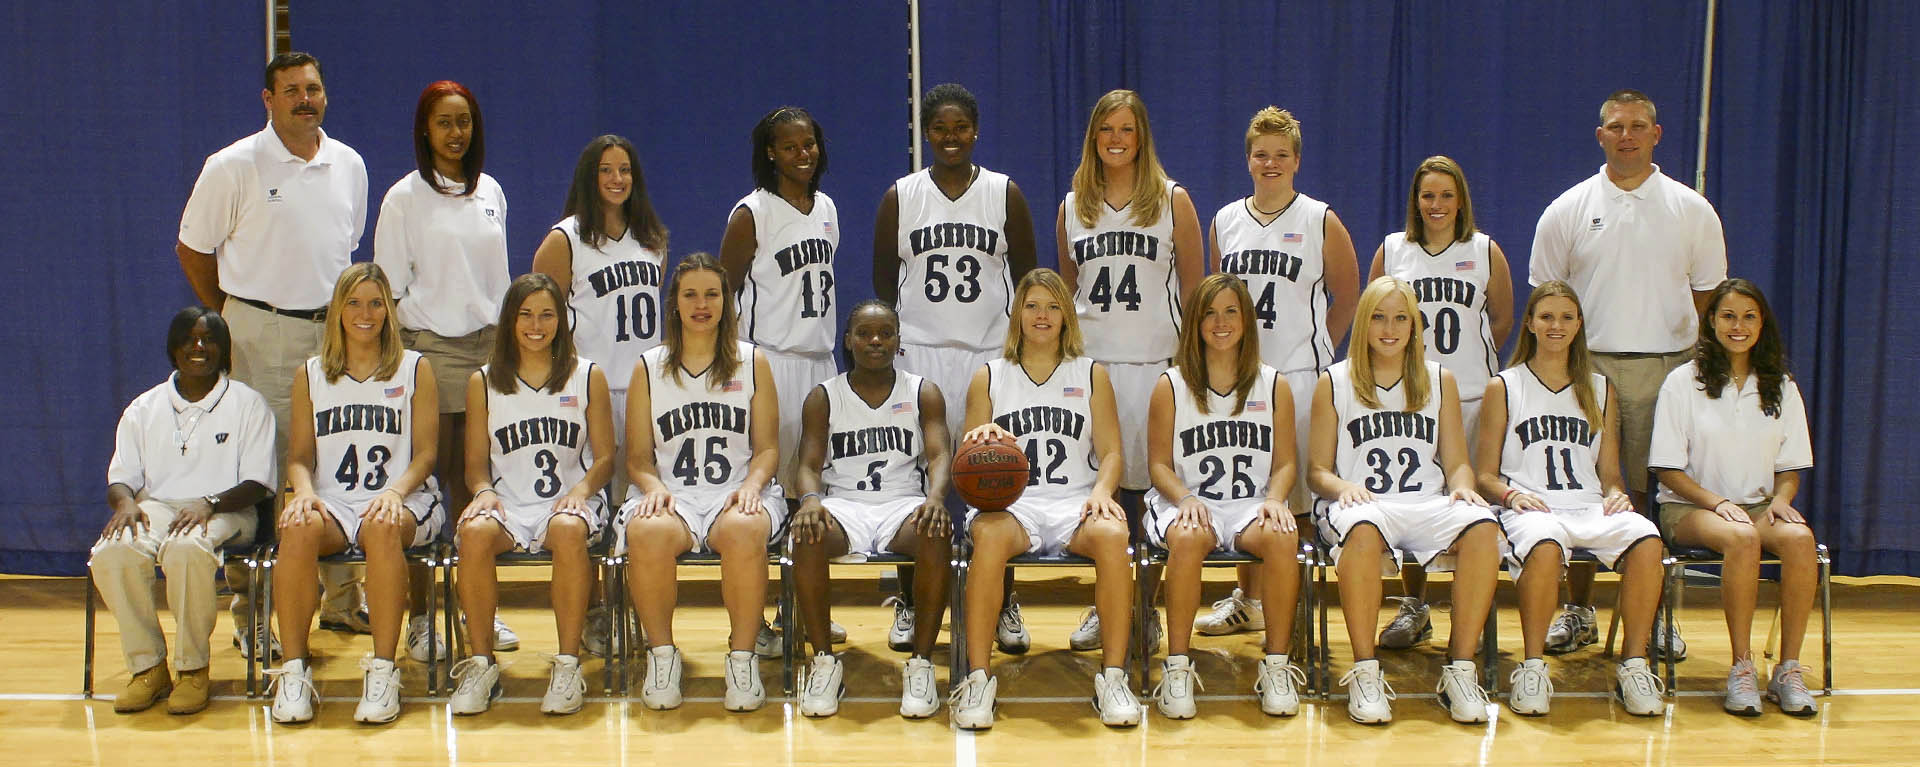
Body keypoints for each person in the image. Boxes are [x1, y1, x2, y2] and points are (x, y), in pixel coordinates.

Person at [175, 50, 370, 656]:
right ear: (268, 100)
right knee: (257, 474)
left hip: (334, 337)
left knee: (340, 462)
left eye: (313, 88)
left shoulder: (350, 165)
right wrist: (241, 315)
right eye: (291, 91)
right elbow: (193, 249)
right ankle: (251, 611)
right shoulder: (234, 165)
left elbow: (345, 253)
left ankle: (343, 602)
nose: (305, 99)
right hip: (259, 332)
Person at [1531, 89, 1726, 658]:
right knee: (1581, 490)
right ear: (1601, 136)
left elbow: (1708, 294)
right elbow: (1549, 293)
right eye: (1616, 126)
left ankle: (1655, 616)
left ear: (1657, 134)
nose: (1627, 135)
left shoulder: (1691, 210)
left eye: (1638, 126)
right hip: (1584, 369)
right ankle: (1579, 609)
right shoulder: (1568, 208)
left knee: (1654, 495)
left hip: (1666, 368)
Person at [873, 82, 1037, 656]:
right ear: (925, 133)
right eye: (939, 128)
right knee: (915, 478)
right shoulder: (901, 195)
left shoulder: (1003, 193)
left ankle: (1005, 601)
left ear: (976, 130)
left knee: (997, 478)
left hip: (988, 355)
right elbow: (882, 285)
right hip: (919, 352)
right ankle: (912, 601)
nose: (950, 137)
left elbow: (1028, 278)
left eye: (960, 127)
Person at [947, 269, 1139, 730]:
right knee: (989, 539)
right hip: (1013, 505)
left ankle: (1114, 677)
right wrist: (982, 441)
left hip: (1076, 500)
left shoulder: (1091, 374)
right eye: (1033, 305)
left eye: (1053, 306)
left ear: (1067, 316)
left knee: (1114, 535)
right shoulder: (990, 376)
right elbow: (965, 456)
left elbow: (1112, 452)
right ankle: (977, 678)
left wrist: (1100, 491)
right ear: (1017, 314)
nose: (1042, 315)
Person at [1307, 276, 1499, 725]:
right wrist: (1342, 488)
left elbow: (1457, 461)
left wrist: (1464, 487)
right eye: (1378, 317)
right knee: (1363, 530)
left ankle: (1460, 668)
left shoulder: (1439, 379)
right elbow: (1317, 471)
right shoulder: (1334, 381)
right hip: (1364, 502)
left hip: (1426, 501)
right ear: (1362, 323)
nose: (1389, 328)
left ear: (1415, 326)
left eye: (1400, 318)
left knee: (1484, 527)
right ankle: (1365, 669)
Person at [1471, 281, 1665, 717]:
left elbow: (1610, 474)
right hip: (1530, 505)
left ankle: (1633, 664)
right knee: (1543, 547)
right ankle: (1534, 665)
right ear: (1530, 324)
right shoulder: (1505, 386)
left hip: (1588, 504)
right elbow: (1484, 475)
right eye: (1546, 317)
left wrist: (1617, 495)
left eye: (1566, 317)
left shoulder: (1599, 388)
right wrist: (1510, 493)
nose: (1556, 325)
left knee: (1647, 539)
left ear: (1579, 325)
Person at [1055, 88, 1202, 652]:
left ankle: (1146, 608)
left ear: (1142, 138)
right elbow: (1070, 291)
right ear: (1093, 137)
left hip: (1154, 363)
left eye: (1126, 130)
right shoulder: (1073, 204)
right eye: (1106, 130)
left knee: (1150, 492)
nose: (1116, 140)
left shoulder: (1172, 200)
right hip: (1091, 369)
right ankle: (1106, 605)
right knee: (1102, 493)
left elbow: (1192, 289)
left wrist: (1188, 369)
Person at [1204, 105, 1359, 639]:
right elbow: (1218, 300)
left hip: (1299, 374)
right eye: (1261, 154)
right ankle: (1247, 599)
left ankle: (1297, 605)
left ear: (1297, 160)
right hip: (1241, 378)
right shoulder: (1225, 219)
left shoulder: (1319, 218)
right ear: (1248, 159)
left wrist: (1318, 349)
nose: (1270, 163)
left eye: (1281, 155)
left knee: (1300, 501)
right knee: (1249, 490)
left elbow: (1348, 294)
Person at [266, 264, 443, 724]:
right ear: (337, 311)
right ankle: (294, 670)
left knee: (382, 526)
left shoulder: (414, 368)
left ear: (389, 309)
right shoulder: (312, 374)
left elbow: (425, 454)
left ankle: (384, 669)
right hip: (336, 501)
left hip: (406, 497)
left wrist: (395, 492)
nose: (365, 313)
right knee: (298, 524)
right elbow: (299, 456)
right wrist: (302, 493)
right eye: (354, 303)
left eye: (376, 303)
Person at [371, 79, 510, 665]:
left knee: (480, 486)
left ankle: (480, 609)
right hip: (433, 348)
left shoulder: (491, 192)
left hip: (490, 350)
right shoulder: (403, 198)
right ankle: (425, 619)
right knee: (434, 486)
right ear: (425, 130)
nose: (457, 133)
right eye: (445, 123)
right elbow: (386, 286)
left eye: (465, 122)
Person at [620, 254, 784, 713]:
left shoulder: (753, 361)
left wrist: (753, 484)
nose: (701, 304)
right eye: (690, 294)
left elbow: (768, 448)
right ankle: (662, 657)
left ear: (726, 302)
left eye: (712, 294)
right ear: (673, 303)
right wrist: (652, 487)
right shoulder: (648, 367)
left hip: (735, 487)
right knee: (647, 531)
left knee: (746, 527)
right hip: (673, 493)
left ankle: (742, 658)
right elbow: (636, 457)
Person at [90, 307, 275, 715]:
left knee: (187, 549)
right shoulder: (144, 407)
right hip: (158, 506)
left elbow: (258, 484)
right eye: (189, 339)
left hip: (229, 509)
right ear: (173, 349)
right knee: (112, 552)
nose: (199, 347)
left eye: (209, 339)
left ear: (224, 351)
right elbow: (122, 476)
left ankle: (193, 669)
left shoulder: (248, 404)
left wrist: (208, 504)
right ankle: (149, 668)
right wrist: (124, 502)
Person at [447, 273, 615, 717]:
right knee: (475, 534)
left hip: (569, 500)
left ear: (562, 319)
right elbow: (475, 466)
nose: (536, 325)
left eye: (547, 314)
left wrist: (581, 490)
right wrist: (482, 491)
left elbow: (605, 458)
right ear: (509, 321)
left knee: (566, 529)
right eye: (526, 315)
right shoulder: (484, 381)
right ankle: (481, 663)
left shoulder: (587, 376)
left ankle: (566, 663)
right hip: (510, 503)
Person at [1649, 278, 1818, 717]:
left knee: (1801, 540)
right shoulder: (1682, 382)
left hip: (1759, 505)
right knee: (1742, 538)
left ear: (1762, 324)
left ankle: (1788, 669)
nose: (1738, 326)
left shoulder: (1780, 385)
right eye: (1727, 316)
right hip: (1689, 506)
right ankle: (1741, 667)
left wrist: (1783, 498)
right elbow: (1666, 467)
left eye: (1748, 316)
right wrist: (1715, 502)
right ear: (1711, 322)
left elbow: (1790, 467)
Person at [1368, 155, 1514, 651]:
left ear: (1461, 201)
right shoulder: (1393, 251)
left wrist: (1463, 368)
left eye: (1446, 196)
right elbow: (1373, 314)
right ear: (1415, 200)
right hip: (1409, 399)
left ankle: (1475, 613)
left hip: (1472, 394)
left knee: (1471, 506)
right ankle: (1415, 604)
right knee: (1412, 498)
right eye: (1428, 195)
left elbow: (1501, 319)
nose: (1437, 205)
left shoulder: (1485, 249)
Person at [532, 134, 669, 655]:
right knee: (593, 507)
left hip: (642, 387)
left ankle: (631, 608)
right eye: (607, 171)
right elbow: (538, 316)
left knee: (633, 505)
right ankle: (593, 612)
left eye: (625, 170)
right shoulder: (565, 239)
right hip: (588, 387)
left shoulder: (652, 237)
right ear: (590, 178)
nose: (617, 179)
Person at [1144, 274, 1304, 719]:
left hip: (1250, 501)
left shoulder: (1274, 385)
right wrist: (1182, 497)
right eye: (1210, 313)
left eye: (1231, 311)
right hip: (1188, 500)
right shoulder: (1171, 385)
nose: (1220, 322)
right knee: (1190, 538)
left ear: (1247, 320)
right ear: (1195, 322)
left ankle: (1276, 664)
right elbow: (1158, 464)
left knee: (1280, 538)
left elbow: (1287, 461)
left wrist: (1275, 498)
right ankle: (1177, 665)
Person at [789, 300, 955, 719]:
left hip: (903, 505)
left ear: (899, 341)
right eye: (864, 333)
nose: (875, 341)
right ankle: (824, 662)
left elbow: (938, 456)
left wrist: (935, 498)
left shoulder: (923, 391)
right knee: (806, 532)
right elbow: (807, 465)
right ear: (848, 341)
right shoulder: (825, 396)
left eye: (885, 333)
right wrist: (810, 501)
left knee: (936, 531)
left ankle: (919, 665)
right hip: (844, 505)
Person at [720, 106, 839, 499]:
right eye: (791, 147)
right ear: (770, 152)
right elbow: (725, 293)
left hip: (821, 359)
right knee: (775, 487)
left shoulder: (826, 207)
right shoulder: (751, 213)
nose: (804, 154)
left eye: (810, 144)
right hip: (771, 359)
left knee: (817, 484)